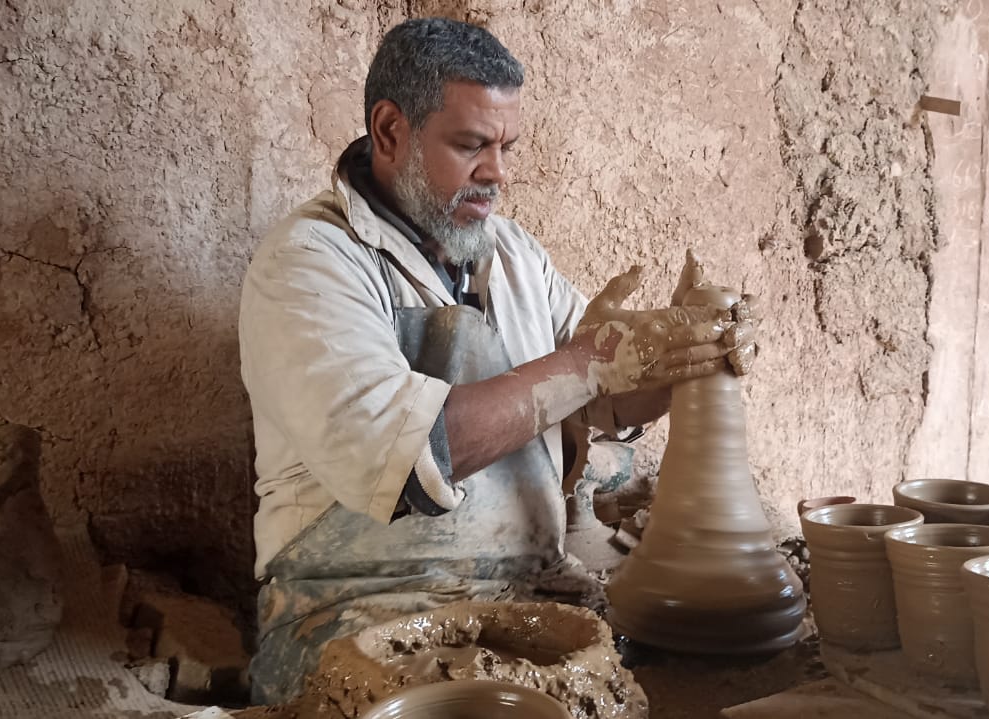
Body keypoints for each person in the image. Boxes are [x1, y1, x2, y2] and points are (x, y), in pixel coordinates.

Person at [236, 17, 757, 705]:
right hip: (357, 606)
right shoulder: (308, 263)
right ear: (391, 131)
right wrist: (591, 362)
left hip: (531, 590)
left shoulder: (511, 252)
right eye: (471, 145)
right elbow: (410, 458)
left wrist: (684, 352)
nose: (498, 173)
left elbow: (599, 397)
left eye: (507, 146)